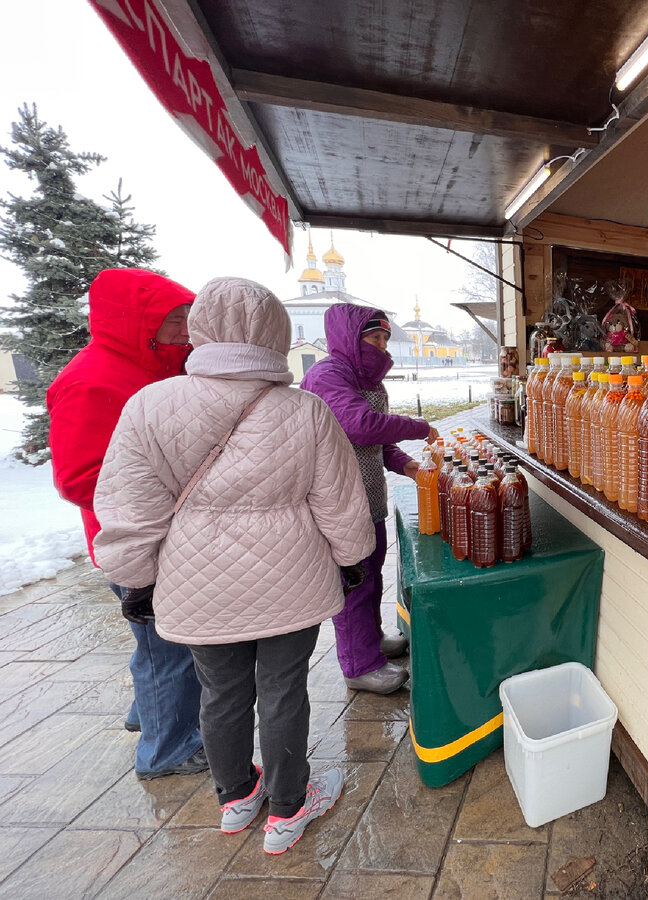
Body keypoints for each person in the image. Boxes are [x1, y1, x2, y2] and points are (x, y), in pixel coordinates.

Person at [93, 277, 375, 854]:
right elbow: (340, 503)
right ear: (275, 331)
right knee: (283, 691)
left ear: (201, 330)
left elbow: (129, 506)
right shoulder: (306, 411)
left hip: (195, 582)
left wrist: (135, 577)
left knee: (217, 692)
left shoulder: (150, 405)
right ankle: (290, 811)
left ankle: (236, 798)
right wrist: (351, 561)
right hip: (290, 579)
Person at [45, 268, 206, 781]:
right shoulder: (91, 380)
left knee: (159, 644)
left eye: (187, 317)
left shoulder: (160, 368)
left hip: (166, 534)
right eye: (174, 319)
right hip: (136, 542)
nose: (185, 329)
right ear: (136, 323)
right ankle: (169, 750)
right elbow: (79, 478)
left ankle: (152, 714)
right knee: (170, 649)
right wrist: (174, 485)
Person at [300, 304, 438, 693]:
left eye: (385, 339)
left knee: (372, 575)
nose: (381, 346)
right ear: (349, 339)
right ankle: (358, 665)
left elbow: (377, 439)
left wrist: (406, 465)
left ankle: (371, 642)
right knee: (354, 582)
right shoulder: (327, 375)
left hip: (368, 495)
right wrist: (419, 427)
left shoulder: (367, 378)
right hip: (339, 499)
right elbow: (360, 425)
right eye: (373, 338)